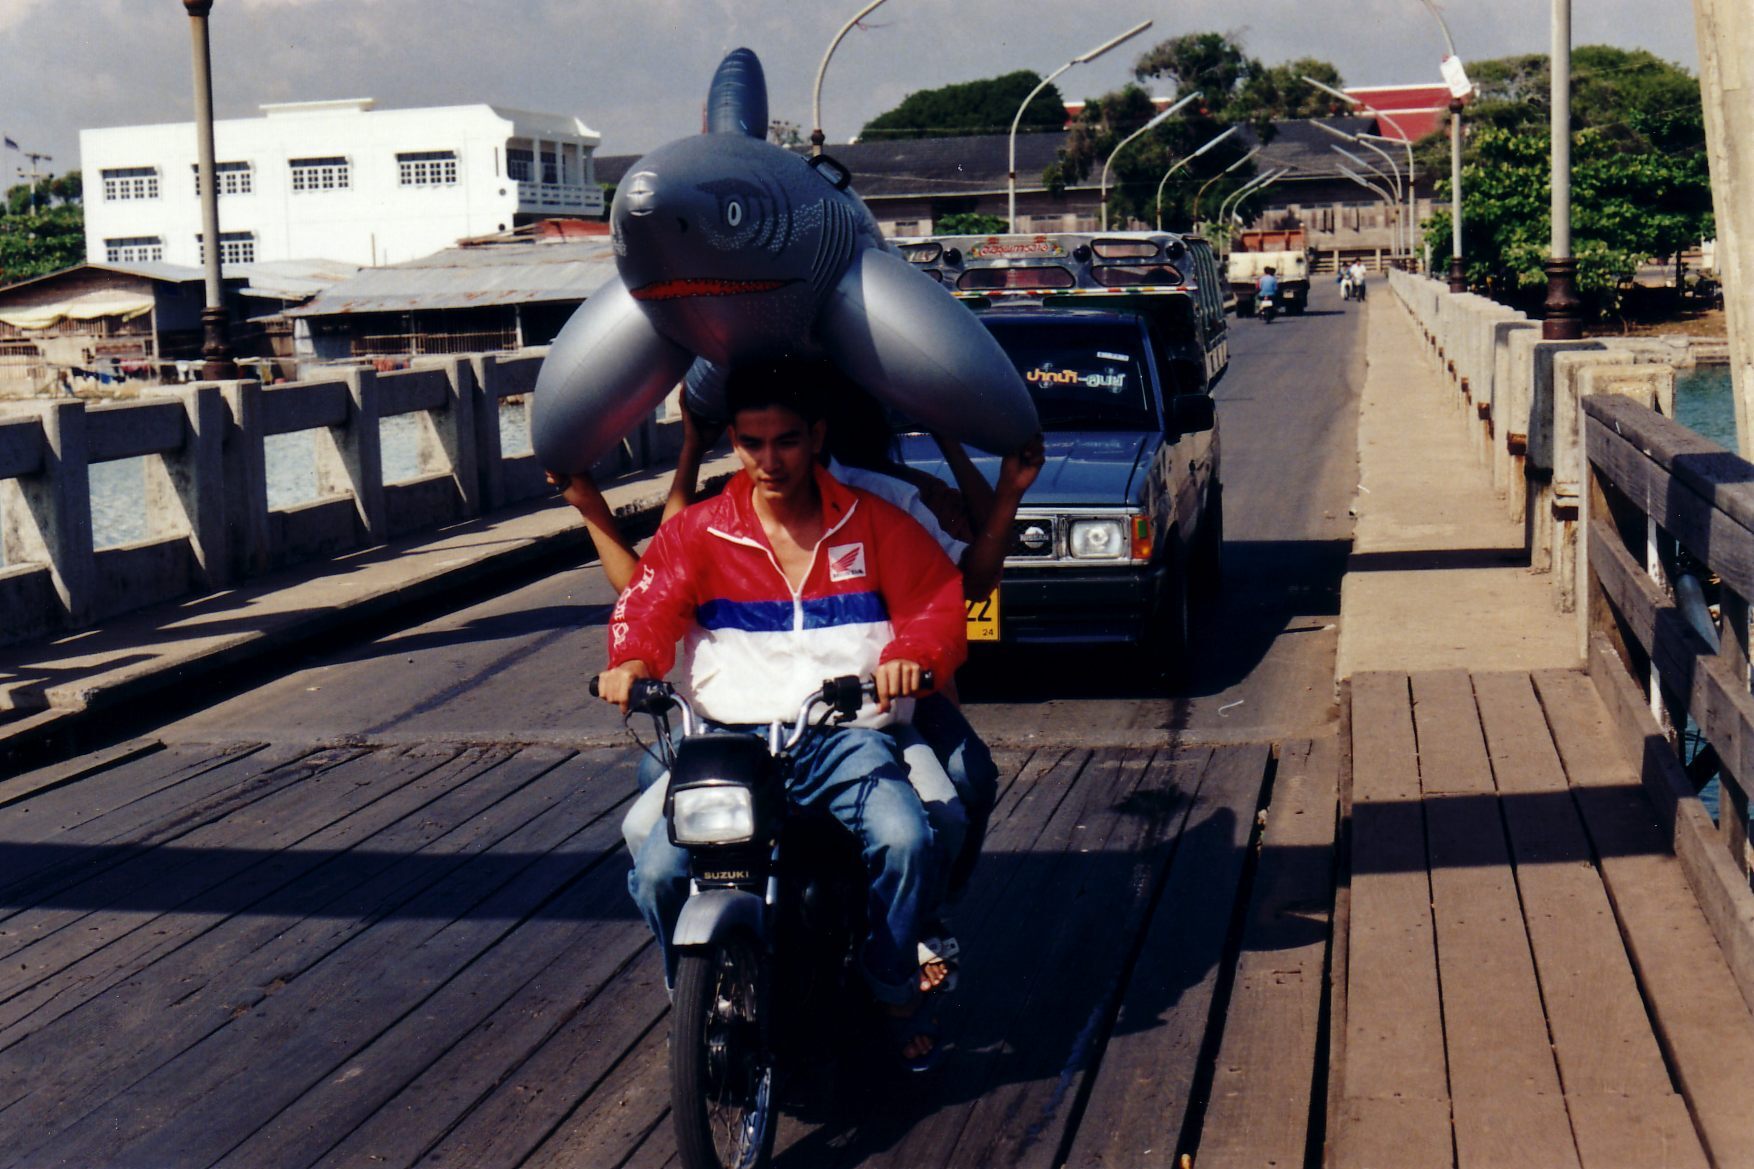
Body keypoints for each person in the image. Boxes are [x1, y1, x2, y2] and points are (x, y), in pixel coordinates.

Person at [596, 360, 968, 1066]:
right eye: (752, 442)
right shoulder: (698, 533)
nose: (770, 460)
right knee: (655, 873)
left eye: (788, 440)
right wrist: (633, 662)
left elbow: (934, 606)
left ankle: (892, 976)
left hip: (841, 738)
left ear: (817, 435)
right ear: (732, 442)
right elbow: (645, 605)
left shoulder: (877, 523)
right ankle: (699, 999)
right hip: (726, 744)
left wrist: (911, 654)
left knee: (908, 837)